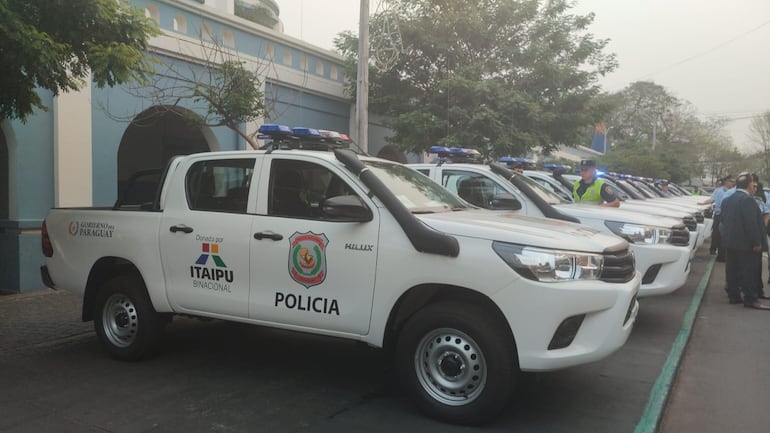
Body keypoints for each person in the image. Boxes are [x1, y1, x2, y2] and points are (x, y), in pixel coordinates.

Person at [720, 172, 770, 309]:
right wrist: (756, 242)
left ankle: (734, 296)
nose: (754, 185)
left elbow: (723, 220)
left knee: (732, 270)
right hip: (746, 244)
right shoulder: (747, 200)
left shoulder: (727, 200)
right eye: (753, 183)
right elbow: (751, 223)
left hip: (730, 242)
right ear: (749, 184)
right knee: (749, 271)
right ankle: (751, 299)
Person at [700, 175, 735, 261]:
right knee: (717, 234)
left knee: (721, 235)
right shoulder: (720, 191)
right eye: (731, 181)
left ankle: (720, 254)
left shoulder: (731, 191)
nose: (732, 183)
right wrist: (702, 204)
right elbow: (711, 200)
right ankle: (715, 251)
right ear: (726, 182)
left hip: (725, 215)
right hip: (719, 215)